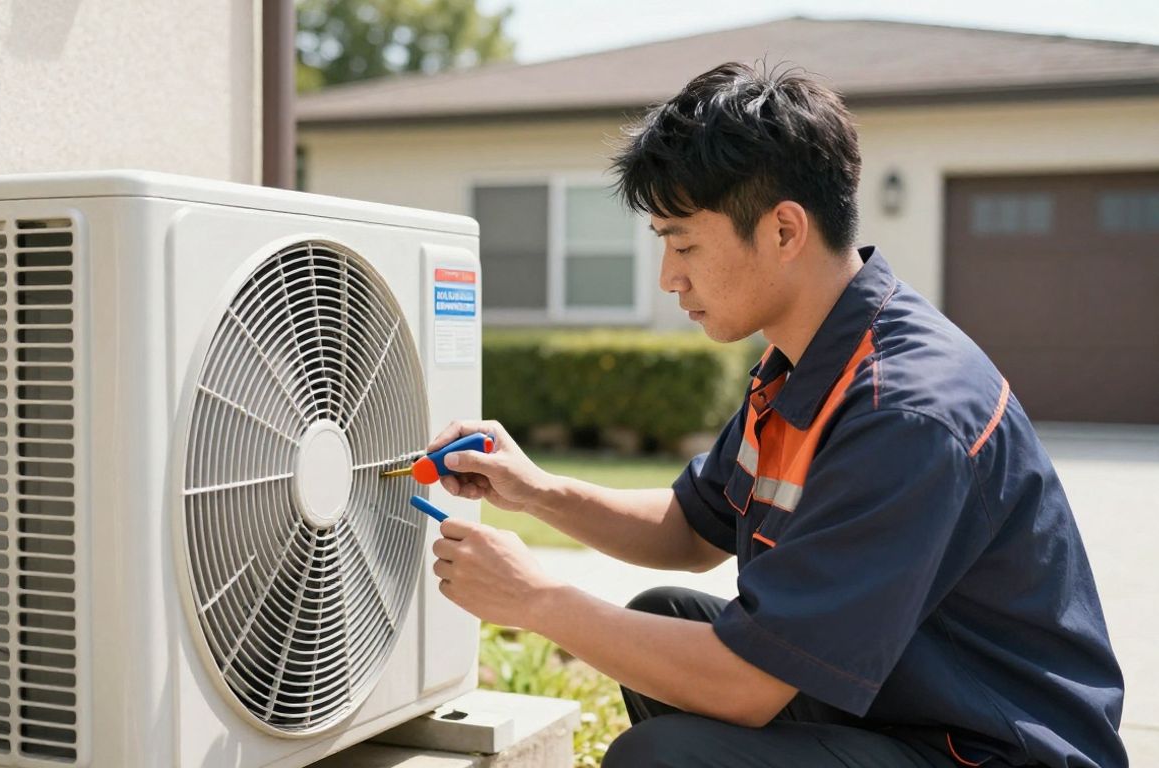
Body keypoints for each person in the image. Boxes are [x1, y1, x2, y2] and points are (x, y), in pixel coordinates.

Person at [426, 62, 1126, 767]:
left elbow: (746, 686)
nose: (670, 277)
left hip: (991, 751)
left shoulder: (905, 411)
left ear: (784, 231)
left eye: (684, 243)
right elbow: (689, 530)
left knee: (662, 756)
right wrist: (534, 488)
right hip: (903, 709)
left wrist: (535, 599)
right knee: (663, 619)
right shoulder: (807, 361)